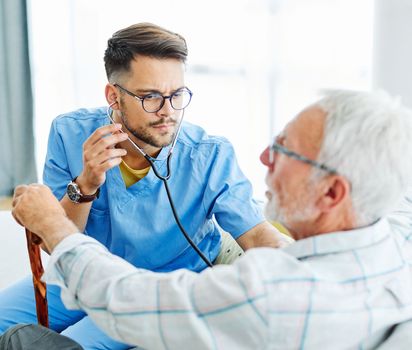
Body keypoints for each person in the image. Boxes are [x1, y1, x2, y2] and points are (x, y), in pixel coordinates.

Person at [9, 89, 412, 349]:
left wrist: (53, 224)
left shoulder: (274, 297)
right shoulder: (393, 236)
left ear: (332, 193)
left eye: (285, 152)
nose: (264, 159)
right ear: (114, 97)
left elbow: (128, 300)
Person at [0, 23, 285, 349]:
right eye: (151, 97)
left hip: (154, 292)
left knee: (64, 346)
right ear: (114, 97)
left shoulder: (210, 155)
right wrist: (88, 182)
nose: (168, 112)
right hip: (77, 274)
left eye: (176, 95)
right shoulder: (69, 133)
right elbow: (54, 243)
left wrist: (302, 265)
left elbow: (257, 235)